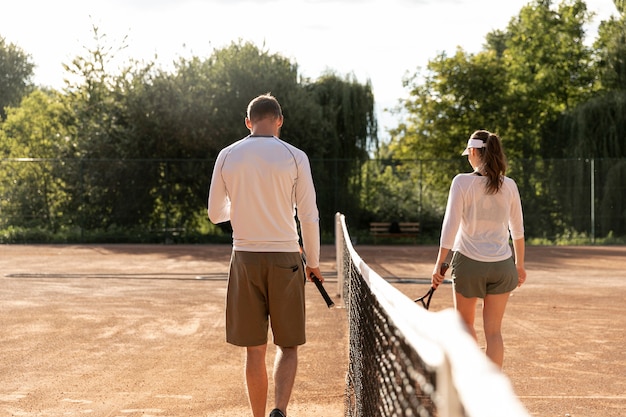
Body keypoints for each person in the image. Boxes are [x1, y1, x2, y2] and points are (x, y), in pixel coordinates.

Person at [207, 93, 323, 417]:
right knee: (288, 347)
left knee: (254, 351)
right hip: (287, 259)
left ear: (248, 122)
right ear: (279, 121)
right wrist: (312, 263)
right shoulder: (295, 156)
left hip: (244, 259)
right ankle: (279, 412)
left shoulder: (227, 155)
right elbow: (309, 215)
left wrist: (243, 207)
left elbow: (215, 213)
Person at [431, 129, 526, 369]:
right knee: (494, 332)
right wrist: (520, 265)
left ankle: (473, 382)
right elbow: (518, 230)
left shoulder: (461, 182)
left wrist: (440, 264)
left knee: (465, 326)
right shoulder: (510, 185)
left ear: (474, 152)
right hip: (503, 266)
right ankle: (491, 388)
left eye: (469, 154)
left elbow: (450, 227)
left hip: (469, 265)